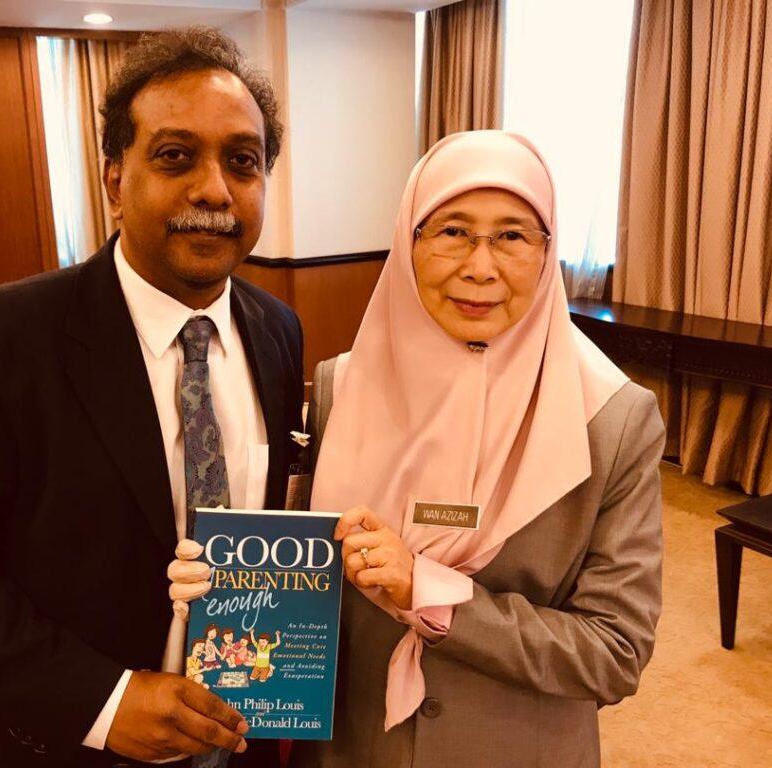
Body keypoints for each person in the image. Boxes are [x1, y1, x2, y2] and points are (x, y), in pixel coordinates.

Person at [0, 26, 301, 768]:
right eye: (175, 156)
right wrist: (101, 701)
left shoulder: (279, 332)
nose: (213, 188)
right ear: (113, 179)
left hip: (238, 737)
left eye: (243, 161)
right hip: (48, 743)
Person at [171, 131, 665, 767]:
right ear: (410, 242)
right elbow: (299, 571)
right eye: (452, 231)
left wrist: (430, 594)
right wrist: (222, 580)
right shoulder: (340, 386)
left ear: (548, 253)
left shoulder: (612, 418)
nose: (480, 267)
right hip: (354, 745)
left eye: (512, 235)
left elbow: (614, 654)